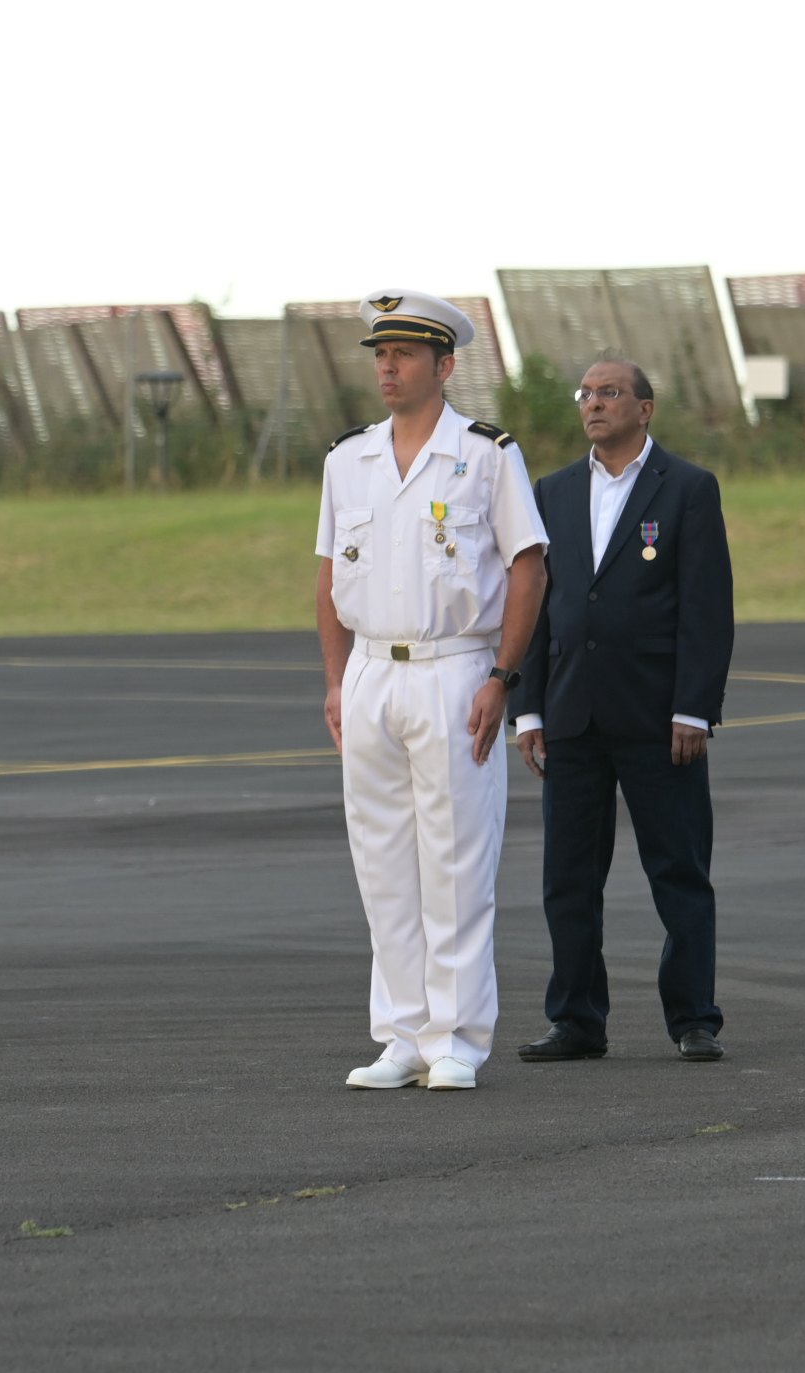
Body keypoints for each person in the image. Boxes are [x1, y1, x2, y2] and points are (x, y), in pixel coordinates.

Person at [317, 291, 549, 1090]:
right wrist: (336, 680)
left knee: (455, 859)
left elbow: (529, 566)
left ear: (445, 365)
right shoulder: (347, 458)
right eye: (380, 354)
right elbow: (327, 577)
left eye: (405, 354)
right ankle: (402, 1036)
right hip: (373, 669)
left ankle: (457, 1037)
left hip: (456, 666)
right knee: (382, 862)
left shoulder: (487, 454)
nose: (387, 366)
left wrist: (501, 677)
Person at [510, 359, 735, 1065]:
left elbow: (707, 609)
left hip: (656, 718)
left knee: (679, 871)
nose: (595, 402)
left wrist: (694, 709)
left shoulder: (689, 489)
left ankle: (693, 1017)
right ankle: (576, 1018)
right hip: (572, 715)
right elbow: (538, 606)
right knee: (568, 879)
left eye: (611, 392)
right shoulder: (550, 492)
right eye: (586, 393)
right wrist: (528, 708)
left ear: (646, 408)